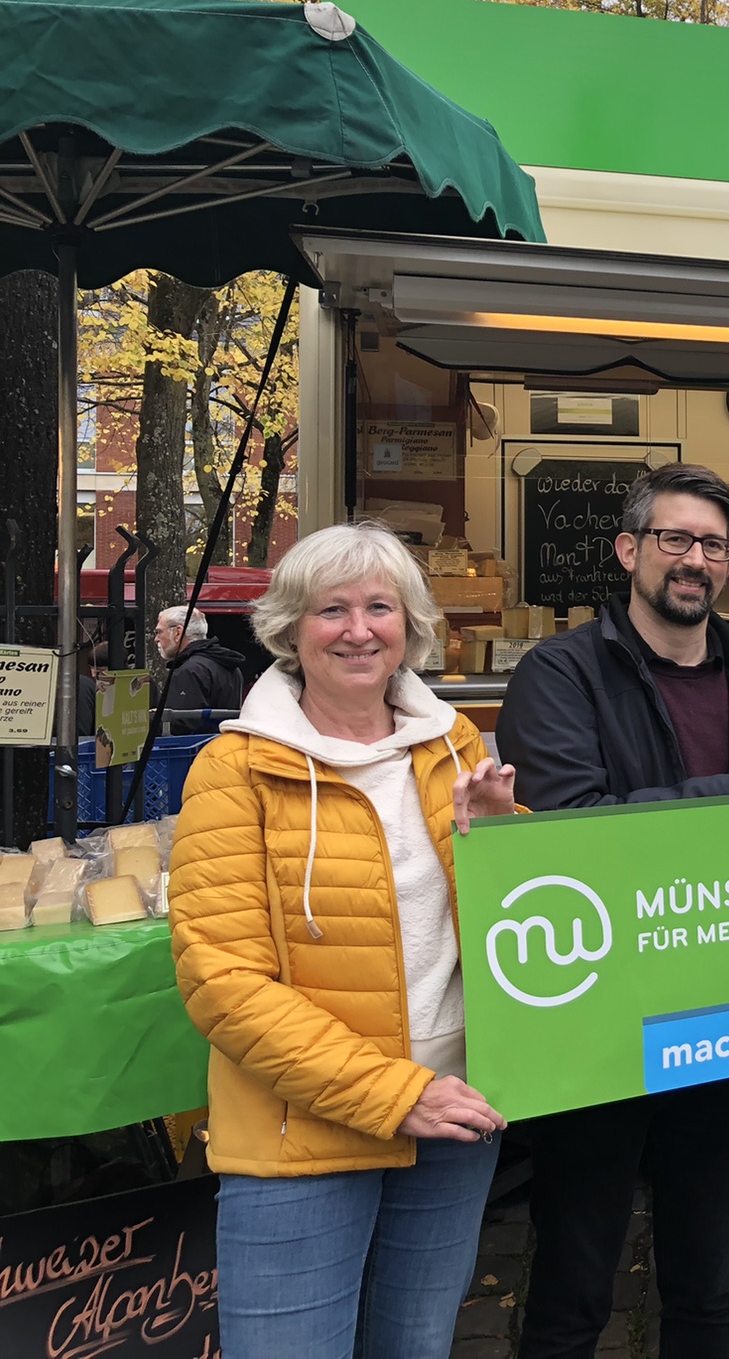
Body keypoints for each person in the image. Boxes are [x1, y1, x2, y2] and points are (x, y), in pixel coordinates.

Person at [498, 461, 729, 1359]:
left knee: (706, 1281)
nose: (693, 559)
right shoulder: (559, 675)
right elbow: (569, 831)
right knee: (573, 1284)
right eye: (674, 539)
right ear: (629, 550)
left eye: (712, 544)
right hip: (598, 1025)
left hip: (720, 1023)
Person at [169, 522, 517, 1358]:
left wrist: (509, 844)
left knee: (415, 1346)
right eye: (332, 609)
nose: (358, 630)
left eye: (379, 608)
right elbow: (225, 984)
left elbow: (517, 927)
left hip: (454, 1111)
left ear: (410, 625)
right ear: (291, 628)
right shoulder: (236, 770)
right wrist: (395, 1094)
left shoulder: (453, 743)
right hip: (302, 1130)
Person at [157, 605, 246, 733]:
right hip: (223, 744)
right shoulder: (228, 665)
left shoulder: (190, 670)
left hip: (194, 750)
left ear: (178, 633)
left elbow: (180, 726)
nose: (156, 639)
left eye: (159, 632)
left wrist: (156, 720)